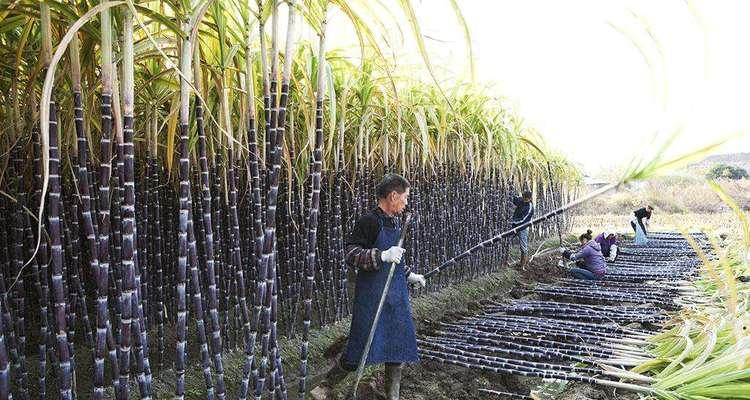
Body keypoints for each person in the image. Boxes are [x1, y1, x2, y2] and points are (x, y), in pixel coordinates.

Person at [311, 173, 426, 400]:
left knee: (398, 348)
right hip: (372, 297)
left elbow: (395, 262)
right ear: (393, 196)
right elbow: (351, 253)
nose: (406, 203)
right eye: (405, 198)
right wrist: (381, 255)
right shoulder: (369, 222)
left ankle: (393, 397)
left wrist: (410, 275)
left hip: (395, 298)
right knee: (359, 346)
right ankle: (323, 388)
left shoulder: (395, 222)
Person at [511, 190, 534, 269]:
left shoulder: (530, 207)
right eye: (523, 197)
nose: (524, 200)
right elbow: (515, 201)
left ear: (530, 199)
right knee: (506, 241)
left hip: (522, 228)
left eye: (525, 199)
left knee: (523, 247)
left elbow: (524, 220)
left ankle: (522, 266)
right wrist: (513, 193)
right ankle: (505, 262)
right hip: (514, 225)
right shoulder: (521, 200)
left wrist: (514, 221)